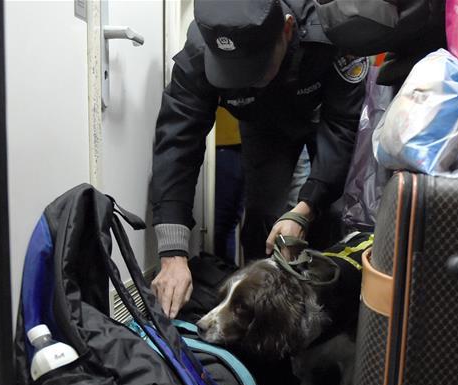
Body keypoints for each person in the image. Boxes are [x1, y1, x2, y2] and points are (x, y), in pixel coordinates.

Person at [149, 0, 366, 317]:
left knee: (329, 216)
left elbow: (343, 128)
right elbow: (178, 139)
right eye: (234, 72)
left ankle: (319, 318)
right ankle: (255, 317)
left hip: (323, 116)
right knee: (263, 220)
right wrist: (172, 253)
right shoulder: (200, 49)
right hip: (262, 124)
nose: (248, 79)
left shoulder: (332, 29)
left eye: (257, 67)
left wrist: (305, 210)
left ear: (287, 30)